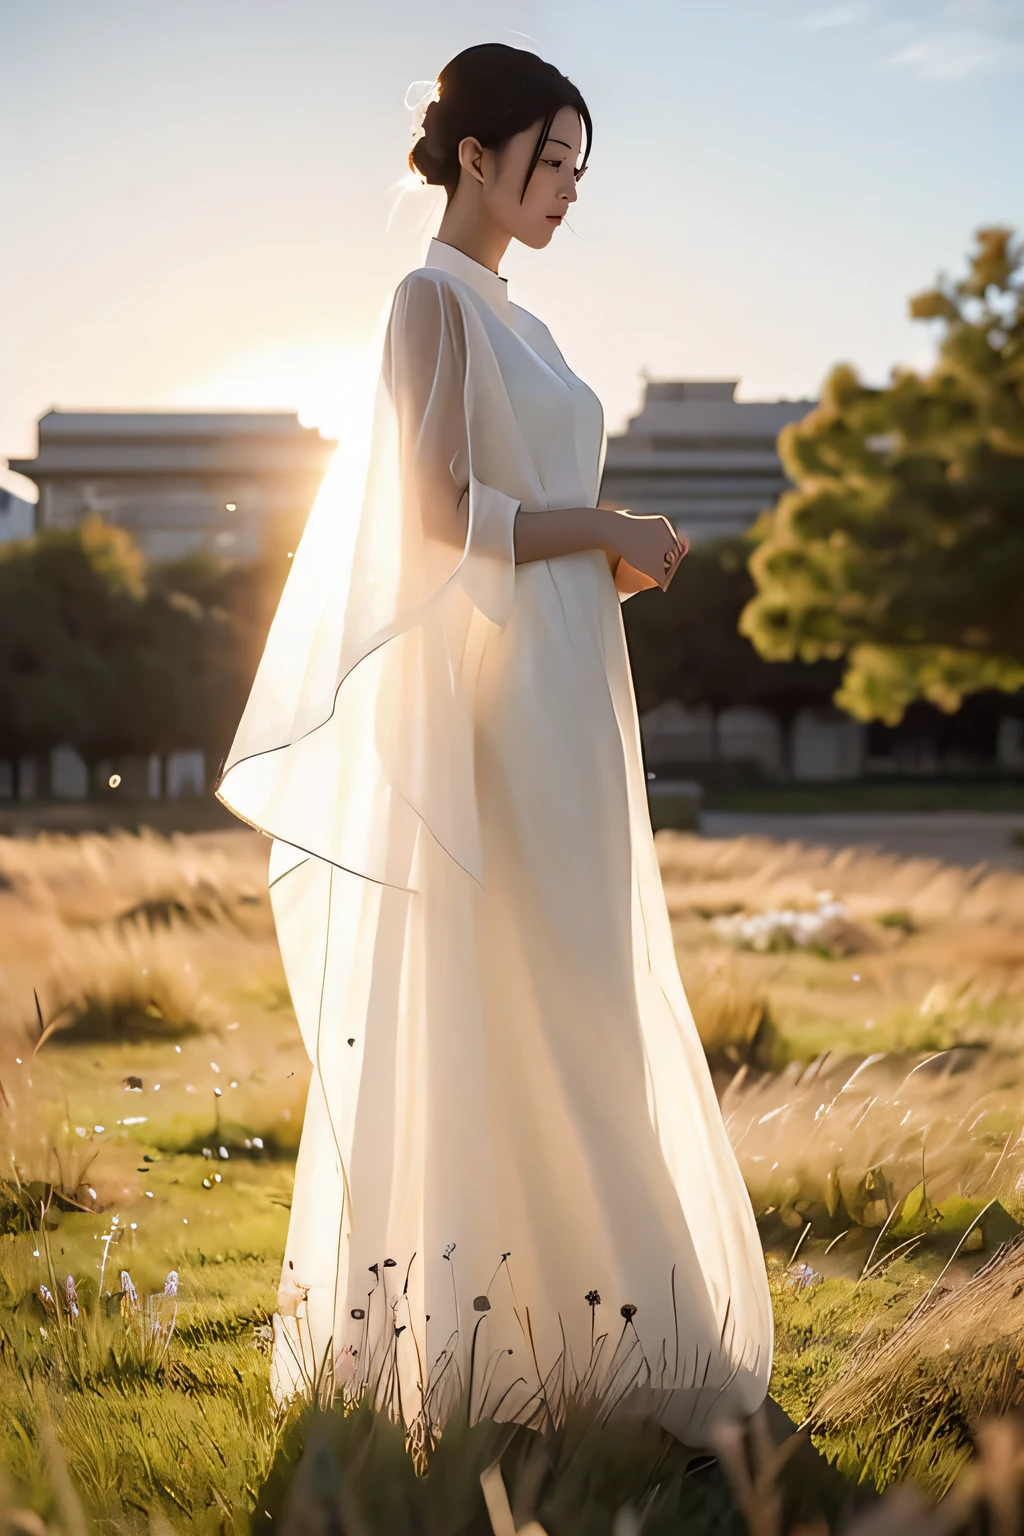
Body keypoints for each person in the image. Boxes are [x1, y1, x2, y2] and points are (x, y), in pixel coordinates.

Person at [215, 41, 772, 1447]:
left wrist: (610, 560)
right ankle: (530, 1360)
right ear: (475, 154)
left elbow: (523, 507)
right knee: (538, 987)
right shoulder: (428, 303)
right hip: (506, 701)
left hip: (574, 679)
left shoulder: (529, 320)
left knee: (586, 978)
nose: (570, 190)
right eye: (552, 160)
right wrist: (606, 529)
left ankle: (606, 1338)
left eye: (582, 168)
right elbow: (436, 512)